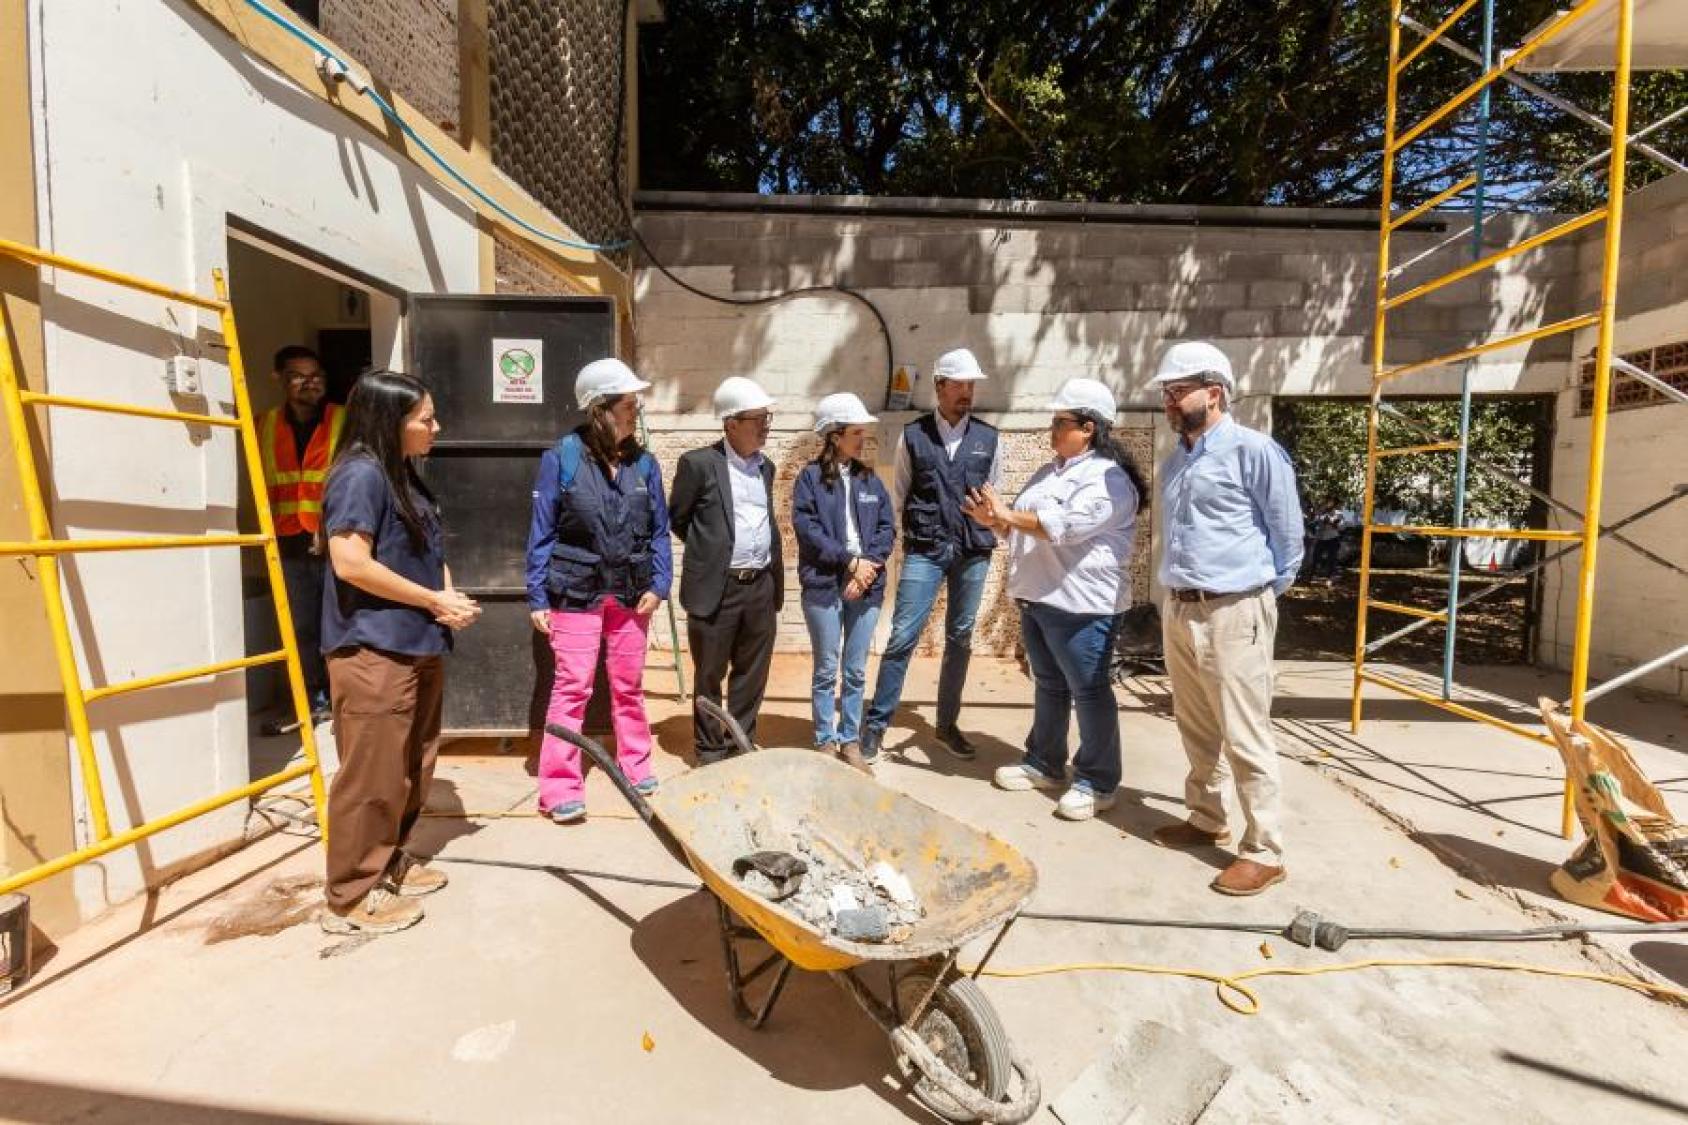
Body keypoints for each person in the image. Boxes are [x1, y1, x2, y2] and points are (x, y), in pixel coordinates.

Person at [318, 370, 480, 935]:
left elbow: (427, 550)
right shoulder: (360, 475)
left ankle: (389, 861)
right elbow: (351, 563)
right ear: (391, 421)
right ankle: (350, 897)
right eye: (425, 419)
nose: (437, 427)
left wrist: (446, 597)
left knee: (412, 765)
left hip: (416, 641)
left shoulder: (402, 474)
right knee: (372, 776)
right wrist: (433, 600)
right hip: (373, 647)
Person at [1148, 341, 1304, 896]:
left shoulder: (1253, 451)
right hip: (1180, 607)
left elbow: (1288, 538)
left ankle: (1264, 850)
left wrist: (1255, 598)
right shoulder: (1175, 461)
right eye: (1166, 392)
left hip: (1235, 609)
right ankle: (1207, 816)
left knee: (1245, 731)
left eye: (1178, 390)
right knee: (1195, 725)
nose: (1169, 400)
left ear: (1214, 392)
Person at [965, 378, 1146, 821]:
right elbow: (1022, 524)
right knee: (1049, 684)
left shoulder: (1109, 479)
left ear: (1088, 427)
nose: (1052, 428)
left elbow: (1065, 527)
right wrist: (995, 521)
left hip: (1082, 605)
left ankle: (1098, 781)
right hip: (1039, 597)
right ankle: (1044, 762)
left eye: (1060, 421)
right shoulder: (1050, 472)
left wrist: (1008, 515)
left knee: (1089, 691)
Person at [526, 358, 672, 824]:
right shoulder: (562, 459)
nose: (636, 411)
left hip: (632, 592)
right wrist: (537, 594)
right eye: (628, 404)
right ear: (600, 409)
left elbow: (660, 531)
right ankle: (558, 787)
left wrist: (660, 584)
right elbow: (542, 531)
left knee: (628, 685)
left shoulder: (644, 464)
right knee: (573, 686)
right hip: (575, 591)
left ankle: (636, 764)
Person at [861, 347, 1002, 764]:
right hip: (925, 548)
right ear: (939, 387)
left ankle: (946, 725)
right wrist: (885, 548)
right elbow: (898, 496)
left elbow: (994, 499)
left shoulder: (989, 439)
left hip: (973, 551)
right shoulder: (914, 435)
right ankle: (876, 726)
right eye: (958, 384)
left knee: (960, 637)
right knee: (902, 636)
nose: (966, 392)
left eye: (971, 385)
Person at [668, 376, 784, 763]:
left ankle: (740, 743)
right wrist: (712, 554)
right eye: (758, 419)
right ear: (731, 423)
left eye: (767, 418)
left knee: (752, 673)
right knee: (709, 674)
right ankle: (710, 749)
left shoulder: (766, 468)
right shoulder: (698, 464)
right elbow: (679, 518)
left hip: (761, 586)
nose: (765, 426)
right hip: (717, 588)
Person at [792, 393, 895, 773]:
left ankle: (849, 740)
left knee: (854, 670)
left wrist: (866, 571)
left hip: (866, 586)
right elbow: (808, 529)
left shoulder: (870, 479)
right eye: (856, 432)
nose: (862, 438)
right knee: (826, 668)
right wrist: (849, 562)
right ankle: (824, 739)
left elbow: (886, 528)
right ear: (835, 436)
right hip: (824, 584)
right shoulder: (809, 479)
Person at [258, 345, 344, 731]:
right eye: (299, 376)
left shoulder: (344, 419)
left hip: (336, 539)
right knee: (299, 627)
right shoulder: (263, 425)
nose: (311, 383)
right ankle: (308, 700)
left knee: (338, 622)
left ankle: (340, 698)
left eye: (317, 376)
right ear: (278, 378)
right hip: (287, 541)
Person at [1309, 499, 1344, 583]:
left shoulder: (1338, 514)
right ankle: (1312, 576)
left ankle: (1330, 578)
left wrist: (1332, 522)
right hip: (1321, 538)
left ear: (1333, 503)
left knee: (1332, 559)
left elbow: (1341, 527)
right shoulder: (1320, 513)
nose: (1327, 504)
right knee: (1316, 557)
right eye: (1326, 502)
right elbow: (1313, 523)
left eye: (1329, 502)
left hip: (1333, 539)